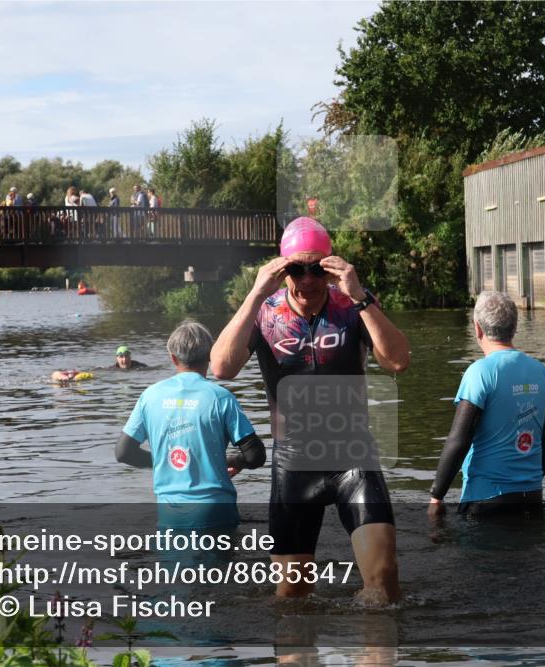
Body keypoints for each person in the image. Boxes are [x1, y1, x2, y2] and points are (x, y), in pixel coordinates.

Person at [211, 216, 410, 604]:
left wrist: (362, 298)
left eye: (316, 268)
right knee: (292, 596)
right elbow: (221, 368)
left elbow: (398, 361)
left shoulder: (353, 305)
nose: (306, 280)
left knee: (383, 582)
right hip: (294, 464)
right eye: (296, 269)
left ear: (330, 266)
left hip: (352, 454)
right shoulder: (265, 312)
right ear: (283, 269)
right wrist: (253, 296)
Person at [116, 320, 266, 530]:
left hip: (170, 514)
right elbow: (255, 455)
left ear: (173, 358)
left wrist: (163, 462)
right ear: (209, 356)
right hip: (216, 510)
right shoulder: (220, 398)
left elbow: (123, 453)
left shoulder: (149, 396)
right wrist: (235, 461)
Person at [427, 291, 545, 519]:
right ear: (515, 327)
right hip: (532, 499)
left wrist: (436, 497)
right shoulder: (543, 373)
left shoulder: (480, 372)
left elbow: (459, 440)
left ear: (477, 328)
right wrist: (530, 481)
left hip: (486, 501)